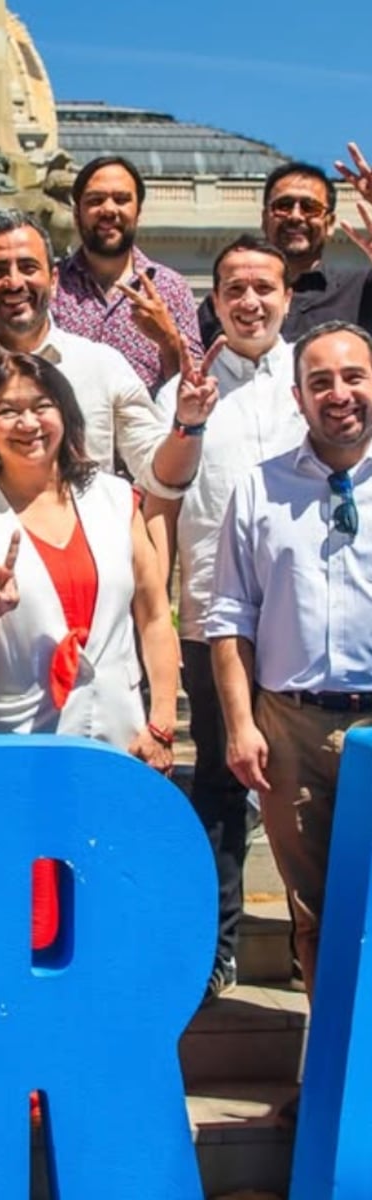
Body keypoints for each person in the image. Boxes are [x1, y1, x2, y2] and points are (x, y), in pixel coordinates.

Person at [145, 236, 303, 1001]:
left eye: (263, 287)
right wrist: (188, 420)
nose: (249, 301)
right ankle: (218, 946)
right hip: (214, 625)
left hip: (307, 627)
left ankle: (316, 944)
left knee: (313, 791)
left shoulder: (316, 379)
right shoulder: (181, 392)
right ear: (213, 302)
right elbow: (159, 497)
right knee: (217, 783)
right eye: (234, 289)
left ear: (288, 297)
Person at [210, 320, 372, 1001]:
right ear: (298, 398)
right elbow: (229, 616)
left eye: (354, 377)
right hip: (290, 728)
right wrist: (241, 725)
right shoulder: (260, 488)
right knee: (314, 916)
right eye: (320, 382)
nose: (339, 394)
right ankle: (327, 1063)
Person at [0, 351, 178, 759]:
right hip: (13, 742)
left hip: (120, 734)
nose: (28, 424)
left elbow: (154, 615)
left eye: (42, 406)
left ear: (65, 413)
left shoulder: (116, 499)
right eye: (7, 411)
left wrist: (162, 721)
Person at [0, 210, 214, 511]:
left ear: (54, 279)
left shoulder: (102, 366)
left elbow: (161, 476)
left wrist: (188, 425)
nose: (14, 282)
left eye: (28, 267)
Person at [52, 155, 201, 394]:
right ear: (77, 214)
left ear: (138, 212)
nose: (109, 210)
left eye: (121, 199)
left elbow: (195, 389)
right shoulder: (52, 285)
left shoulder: (171, 288)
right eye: (95, 200)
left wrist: (168, 339)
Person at [199, 151, 372, 347]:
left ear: (330, 223)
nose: (295, 216)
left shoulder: (362, 289)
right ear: (264, 219)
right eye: (283, 206)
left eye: (310, 207)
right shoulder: (227, 302)